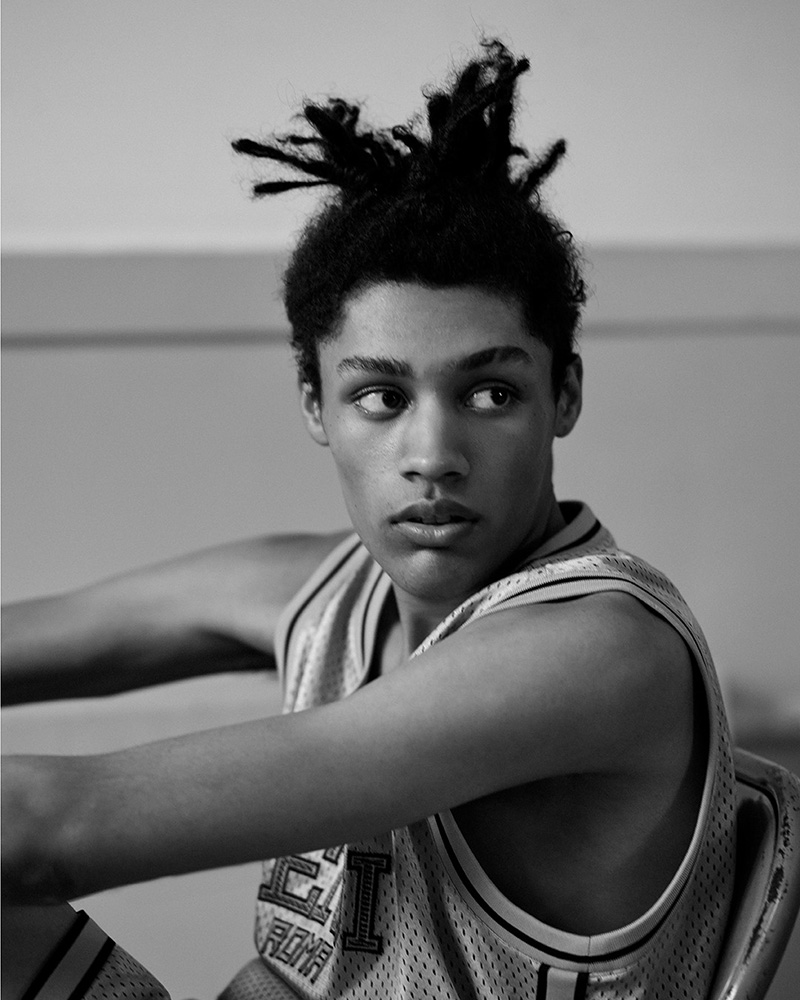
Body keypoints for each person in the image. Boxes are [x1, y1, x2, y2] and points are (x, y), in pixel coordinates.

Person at [2, 40, 736, 999]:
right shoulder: (324, 591)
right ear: (316, 406)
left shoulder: (598, 650)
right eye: (382, 397)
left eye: (489, 393)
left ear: (564, 396)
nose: (433, 454)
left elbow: (40, 829)